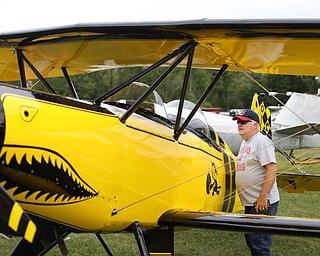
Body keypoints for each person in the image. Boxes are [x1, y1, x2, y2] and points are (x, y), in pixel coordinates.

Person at [232, 109, 279, 256]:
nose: (240, 124)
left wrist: (263, 197)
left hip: (262, 203)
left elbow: (272, 168)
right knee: (253, 242)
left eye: (244, 122)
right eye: (238, 121)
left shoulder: (261, 140)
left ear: (256, 125)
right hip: (251, 202)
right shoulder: (245, 142)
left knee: (259, 244)